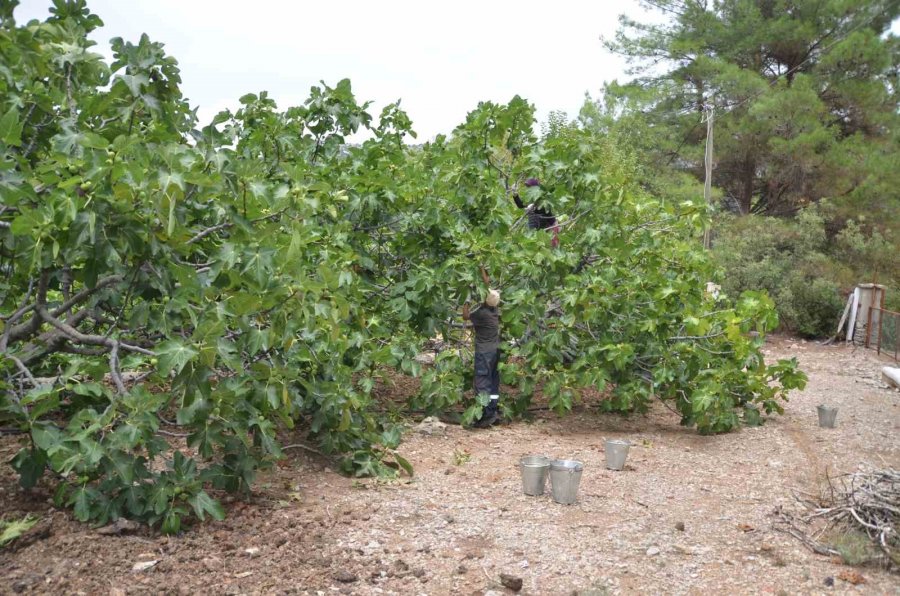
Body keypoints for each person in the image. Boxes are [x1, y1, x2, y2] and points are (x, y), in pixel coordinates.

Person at [462, 268, 501, 428]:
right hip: (495, 351)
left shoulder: (482, 314)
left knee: (482, 383)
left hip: (484, 353)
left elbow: (465, 315)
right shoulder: (493, 310)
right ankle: (492, 411)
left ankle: (484, 415)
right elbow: (487, 287)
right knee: (493, 382)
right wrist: (482, 268)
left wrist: (466, 300)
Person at [512, 178, 560, 248]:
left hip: (549, 228)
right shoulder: (530, 197)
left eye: (530, 187)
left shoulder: (542, 198)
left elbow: (544, 212)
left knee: (549, 248)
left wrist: (535, 208)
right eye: (527, 187)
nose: (528, 189)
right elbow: (521, 205)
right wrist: (515, 194)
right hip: (537, 229)